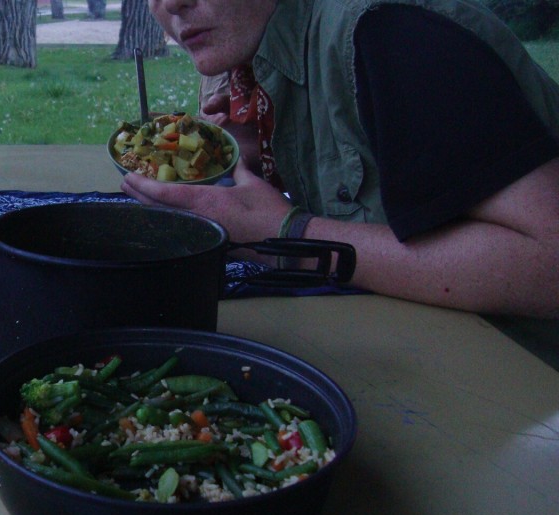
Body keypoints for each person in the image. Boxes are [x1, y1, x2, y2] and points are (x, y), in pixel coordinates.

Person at [125, 0, 559, 319]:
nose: (171, 4)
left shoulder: (389, 33)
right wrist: (269, 151)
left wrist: (290, 237)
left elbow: (550, 266)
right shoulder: (253, 55)